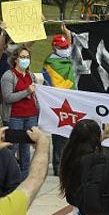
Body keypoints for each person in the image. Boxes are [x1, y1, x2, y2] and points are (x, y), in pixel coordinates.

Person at [0, 47, 40, 177]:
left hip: (31, 116)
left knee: (26, 149)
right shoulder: (8, 75)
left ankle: (24, 177)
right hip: (15, 117)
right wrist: (26, 92)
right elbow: (8, 97)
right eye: (22, 57)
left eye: (27, 57)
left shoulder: (31, 75)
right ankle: (7, 176)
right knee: (12, 148)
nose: (25, 60)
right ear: (15, 59)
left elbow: (36, 94)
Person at [42, 31, 74, 175]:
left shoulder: (69, 58)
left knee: (70, 137)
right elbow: (53, 83)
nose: (65, 49)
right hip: (58, 102)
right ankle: (58, 166)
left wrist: (68, 34)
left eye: (66, 46)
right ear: (54, 48)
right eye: (62, 47)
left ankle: (68, 165)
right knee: (59, 136)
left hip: (72, 102)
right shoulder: (50, 63)